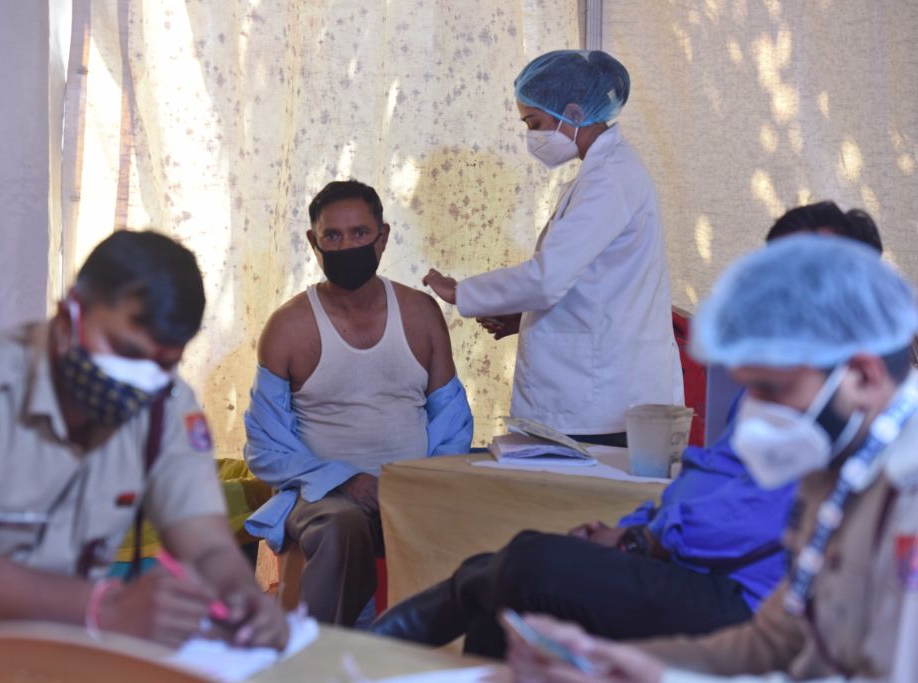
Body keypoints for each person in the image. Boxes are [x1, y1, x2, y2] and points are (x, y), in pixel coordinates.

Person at [372, 202, 887, 658]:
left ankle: (370, 652)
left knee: (530, 564)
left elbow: (768, 517)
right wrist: (631, 528)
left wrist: (639, 541)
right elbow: (705, 479)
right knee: (511, 596)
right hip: (693, 572)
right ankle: (381, 655)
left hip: (757, 605)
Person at [504, 234, 918, 683]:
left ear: (861, 376)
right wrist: (626, 666)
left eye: (774, 391)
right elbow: (773, 645)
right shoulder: (835, 476)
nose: (756, 415)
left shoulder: (905, 501)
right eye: (750, 390)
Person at [0, 231, 287, 648]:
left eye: (163, 364)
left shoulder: (165, 403)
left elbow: (205, 541)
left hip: (63, 649)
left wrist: (241, 596)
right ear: (69, 317)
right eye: (126, 352)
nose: (140, 380)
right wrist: (108, 609)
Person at [243, 179, 474, 626]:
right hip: (323, 496)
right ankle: (319, 660)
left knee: (495, 520)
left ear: (383, 237)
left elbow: (452, 423)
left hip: (412, 489)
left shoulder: (420, 314)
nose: (346, 245)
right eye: (332, 236)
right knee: (341, 526)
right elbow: (265, 448)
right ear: (314, 243)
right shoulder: (288, 328)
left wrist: (419, 486)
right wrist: (346, 481)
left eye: (359, 234)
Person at [422, 49, 682, 446]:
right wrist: (525, 317)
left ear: (575, 113)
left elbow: (548, 279)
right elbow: (592, 282)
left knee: (583, 505)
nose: (532, 136)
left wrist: (463, 293)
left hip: (602, 399)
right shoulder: (604, 173)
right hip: (595, 389)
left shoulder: (609, 181)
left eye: (535, 122)